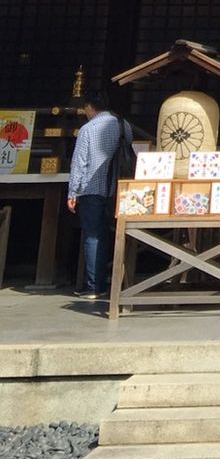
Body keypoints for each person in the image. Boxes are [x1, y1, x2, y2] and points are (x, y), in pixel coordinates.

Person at [66, 88, 133, 301]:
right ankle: (118, 280)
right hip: (118, 188)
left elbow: (79, 163)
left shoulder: (88, 129)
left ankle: (94, 285)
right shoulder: (124, 125)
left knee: (94, 235)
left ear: (88, 107)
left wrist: (73, 191)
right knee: (119, 234)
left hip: (91, 188)